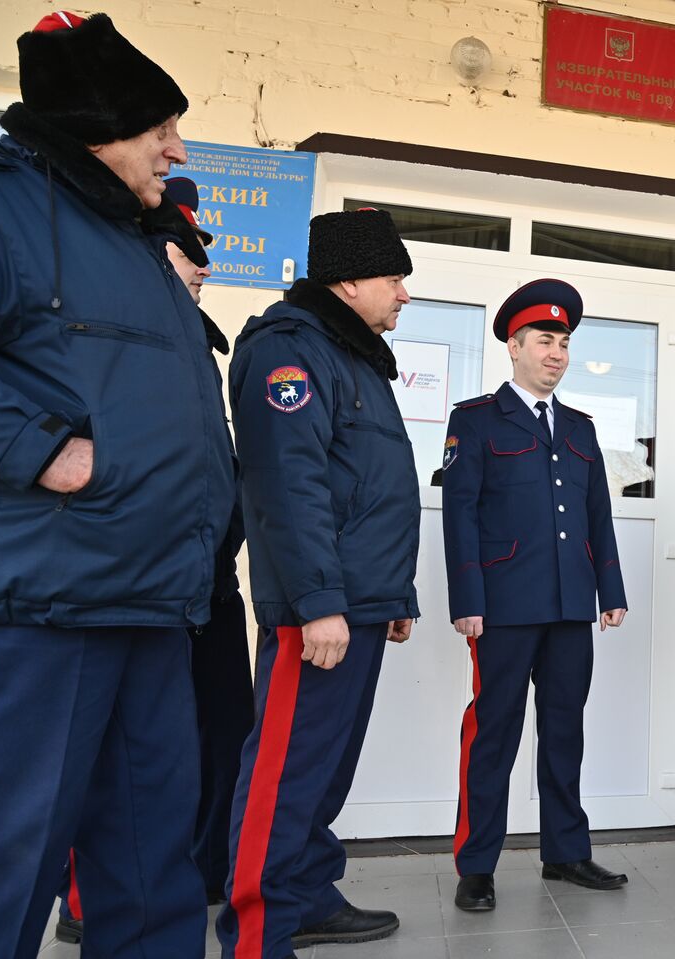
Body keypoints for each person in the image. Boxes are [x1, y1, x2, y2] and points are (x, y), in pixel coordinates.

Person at [0, 13, 236, 958]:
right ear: (97, 126)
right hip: (43, 605)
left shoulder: (134, 240)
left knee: (153, 867)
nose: (177, 146)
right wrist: (43, 447)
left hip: (156, 602)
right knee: (3, 864)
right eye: (159, 126)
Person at [215, 208, 421, 958]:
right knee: (287, 769)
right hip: (321, 608)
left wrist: (394, 597)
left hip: (359, 601)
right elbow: (287, 489)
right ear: (350, 279)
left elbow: (364, 487)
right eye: (395, 278)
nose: (404, 294)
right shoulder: (290, 355)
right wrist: (321, 603)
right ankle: (258, 925)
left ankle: (303, 894)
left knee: (324, 769)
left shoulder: (353, 355)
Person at [54, 175, 255, 943]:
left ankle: (194, 870)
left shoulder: (195, 347)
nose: (203, 268)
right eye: (189, 251)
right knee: (104, 766)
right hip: (130, 586)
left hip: (200, 585)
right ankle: (82, 901)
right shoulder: (103, 335)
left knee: (205, 742)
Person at [441, 278, 629, 912]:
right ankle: (477, 865)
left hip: (571, 605)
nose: (557, 352)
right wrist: (467, 598)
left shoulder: (579, 427)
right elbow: (459, 515)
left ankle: (566, 852)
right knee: (493, 732)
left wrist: (611, 588)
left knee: (564, 730)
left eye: (565, 342)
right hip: (502, 605)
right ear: (514, 347)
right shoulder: (476, 420)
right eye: (545, 340)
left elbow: (599, 514)